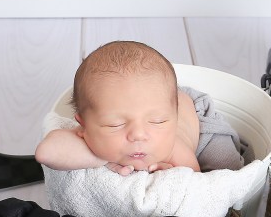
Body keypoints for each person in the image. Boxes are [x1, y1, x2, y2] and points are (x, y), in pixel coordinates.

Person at [35, 41, 201, 175]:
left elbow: (199, 188)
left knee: (220, 157)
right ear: (83, 125)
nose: (138, 135)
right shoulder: (91, 133)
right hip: (165, 99)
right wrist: (103, 158)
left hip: (195, 115)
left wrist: (175, 177)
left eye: (157, 121)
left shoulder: (174, 150)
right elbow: (46, 152)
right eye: (115, 124)